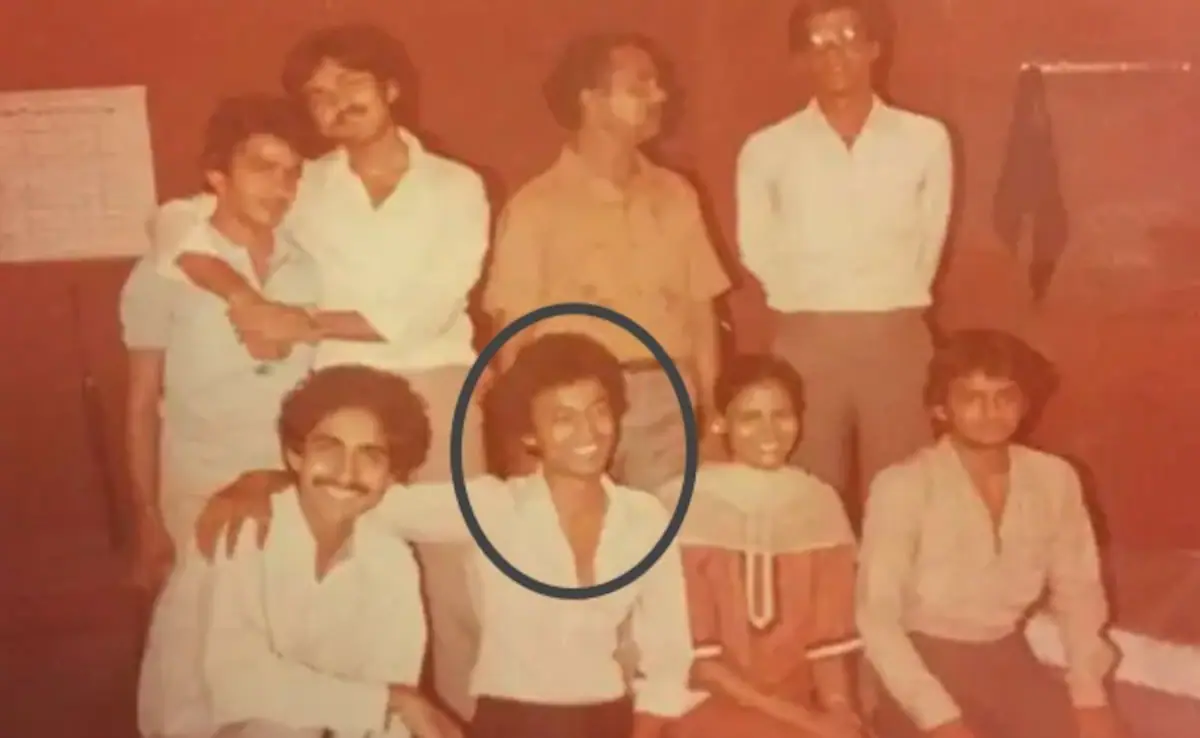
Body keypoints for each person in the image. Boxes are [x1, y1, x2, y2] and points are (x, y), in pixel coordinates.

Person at [144, 24, 490, 720]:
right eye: (318, 95)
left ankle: (452, 721)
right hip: (336, 398)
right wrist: (245, 299)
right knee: (341, 568)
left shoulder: (457, 185)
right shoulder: (306, 185)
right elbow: (176, 222)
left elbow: (424, 311)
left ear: (391, 87)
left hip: (440, 387)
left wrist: (299, 321)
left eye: (351, 82)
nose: (336, 102)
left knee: (460, 580)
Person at [191, 333, 694, 738]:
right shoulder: (492, 507)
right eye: (563, 418)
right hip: (510, 723)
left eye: (598, 411)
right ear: (529, 434)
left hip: (611, 721)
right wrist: (266, 479)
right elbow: (361, 493)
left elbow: (668, 657)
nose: (588, 432)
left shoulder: (647, 519)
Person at [121, 94, 318, 738]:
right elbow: (140, 404)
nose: (281, 187)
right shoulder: (165, 271)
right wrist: (147, 519)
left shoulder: (310, 265)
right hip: (200, 489)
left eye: (291, 171)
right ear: (217, 176)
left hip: (295, 492)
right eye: (262, 167)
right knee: (199, 673)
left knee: (287, 664)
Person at [483, 31, 731, 491]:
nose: (659, 96)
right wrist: (519, 433)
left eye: (656, 84)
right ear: (591, 101)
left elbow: (701, 314)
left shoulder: (676, 194)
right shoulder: (536, 206)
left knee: (669, 527)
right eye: (639, 86)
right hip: (575, 406)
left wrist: (713, 416)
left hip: (667, 401)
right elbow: (513, 333)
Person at [735, 0, 953, 509]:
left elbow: (931, 239)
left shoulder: (925, 139)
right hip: (806, 339)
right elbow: (756, 247)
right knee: (805, 492)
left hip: (896, 337)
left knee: (902, 492)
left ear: (875, 48)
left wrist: (887, 300)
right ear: (800, 58)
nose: (835, 54)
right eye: (818, 42)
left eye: (849, 38)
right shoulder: (767, 148)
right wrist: (809, 300)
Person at [857, 329, 1126, 738]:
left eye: (1005, 397)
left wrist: (1090, 696)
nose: (991, 411)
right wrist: (939, 719)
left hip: (1007, 658)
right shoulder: (902, 485)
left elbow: (1079, 590)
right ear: (940, 408)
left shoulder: (1054, 478)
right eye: (972, 398)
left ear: (1025, 404)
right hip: (920, 664)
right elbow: (877, 618)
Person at [203, 365, 458, 738]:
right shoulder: (244, 527)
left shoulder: (390, 558)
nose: (346, 472)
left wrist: (395, 708)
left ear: (391, 476)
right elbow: (234, 685)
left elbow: (390, 697)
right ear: (295, 456)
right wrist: (389, 702)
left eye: (370, 456)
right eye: (329, 448)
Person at [656, 354, 863, 738]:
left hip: (797, 705)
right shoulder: (682, 501)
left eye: (781, 415)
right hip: (702, 703)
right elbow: (700, 665)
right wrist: (809, 723)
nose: (769, 431)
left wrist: (839, 711)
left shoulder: (820, 502)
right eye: (750, 418)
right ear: (720, 423)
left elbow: (828, 645)